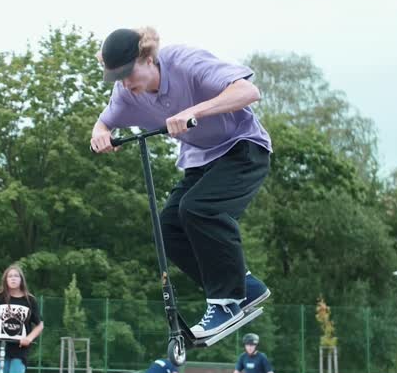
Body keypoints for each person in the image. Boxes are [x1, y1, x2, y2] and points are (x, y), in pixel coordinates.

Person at [90, 27, 272, 339]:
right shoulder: (126, 93)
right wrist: (100, 132)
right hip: (201, 160)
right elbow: (105, 120)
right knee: (168, 229)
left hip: (244, 147)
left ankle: (226, 301)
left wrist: (194, 110)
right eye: (117, 77)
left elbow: (248, 92)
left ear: (148, 59)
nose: (124, 83)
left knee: (199, 209)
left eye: (127, 73)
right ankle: (244, 287)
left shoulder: (186, 62)